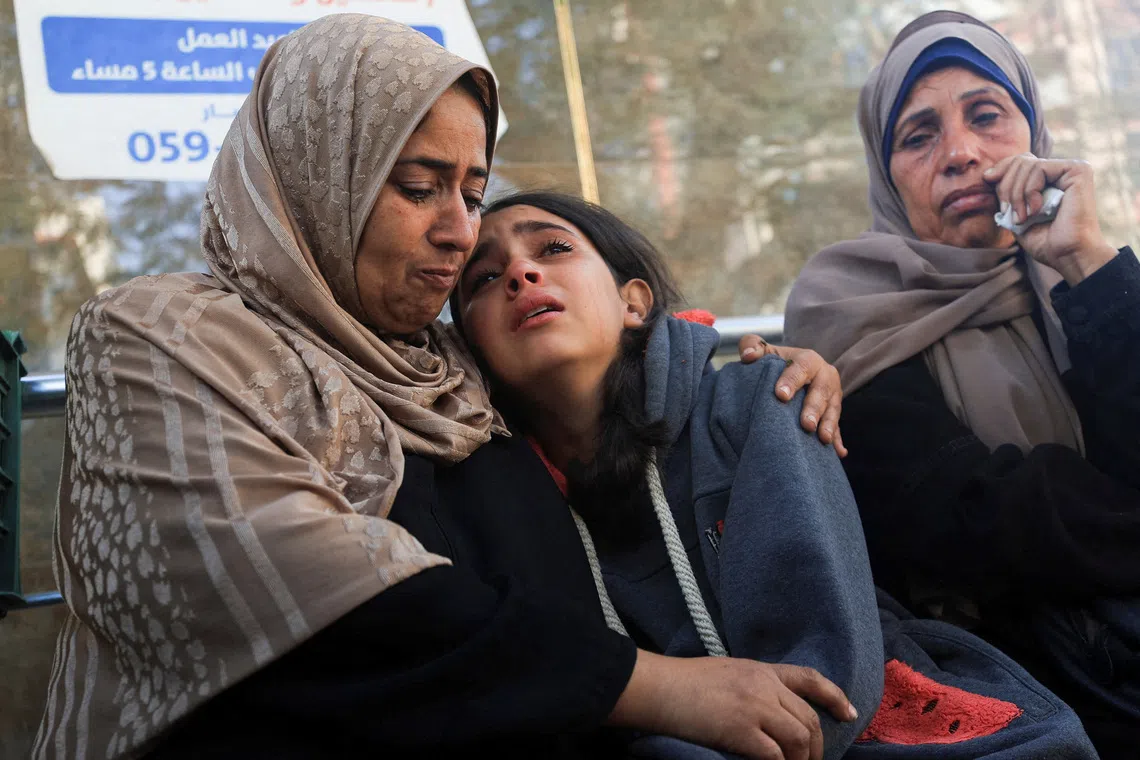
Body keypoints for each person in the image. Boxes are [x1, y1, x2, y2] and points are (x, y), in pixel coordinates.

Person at [33, 14, 852, 760]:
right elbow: (292, 586)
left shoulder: (450, 368)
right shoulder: (159, 335)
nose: (462, 235)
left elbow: (609, 388)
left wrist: (751, 379)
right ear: (320, 176)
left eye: (471, 192)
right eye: (419, 188)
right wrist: (656, 688)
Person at [452, 190, 1099, 759]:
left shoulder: (764, 397)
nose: (519, 271)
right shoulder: (499, 502)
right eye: (481, 279)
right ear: (469, 345)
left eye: (554, 247)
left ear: (634, 302)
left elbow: (823, 683)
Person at [784, 10, 1140, 758]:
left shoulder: (1075, 280)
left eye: (988, 116)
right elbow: (981, 524)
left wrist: (1086, 259)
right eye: (918, 136)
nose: (962, 154)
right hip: (1013, 693)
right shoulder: (846, 308)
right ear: (887, 175)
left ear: (1033, 135)